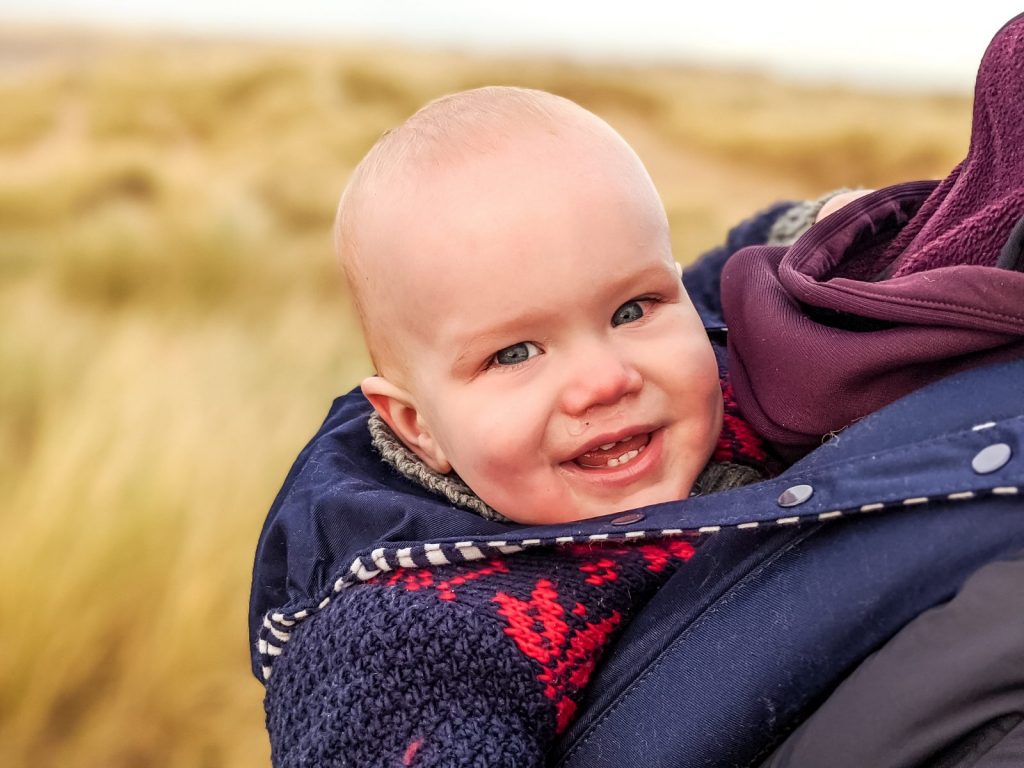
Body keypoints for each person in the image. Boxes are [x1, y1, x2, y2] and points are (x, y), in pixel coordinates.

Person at [252, 14, 1024, 767]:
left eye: (629, 310)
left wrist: (812, 226)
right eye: (516, 353)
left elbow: (716, 279)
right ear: (418, 427)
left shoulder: (692, 371)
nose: (605, 378)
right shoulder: (411, 631)